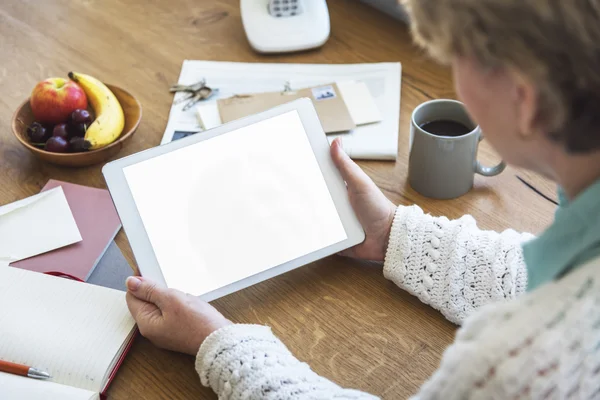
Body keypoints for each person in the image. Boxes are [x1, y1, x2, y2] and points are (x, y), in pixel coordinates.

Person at [125, 0, 600, 397]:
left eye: (456, 57)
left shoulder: (519, 364)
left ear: (525, 101)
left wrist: (216, 343)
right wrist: (393, 234)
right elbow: (555, 280)